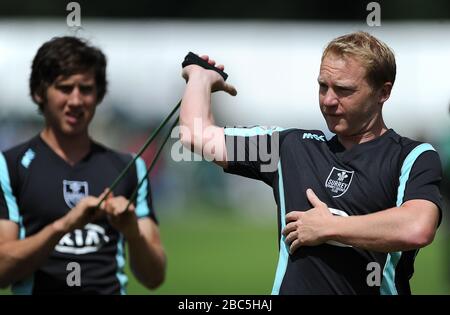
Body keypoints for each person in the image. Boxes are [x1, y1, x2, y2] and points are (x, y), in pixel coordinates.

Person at [179, 31, 442, 294]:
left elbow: (417, 227)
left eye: (343, 90)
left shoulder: (411, 156)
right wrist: (199, 78)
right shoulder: (291, 148)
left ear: (382, 92)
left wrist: (330, 227)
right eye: (322, 86)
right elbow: (196, 134)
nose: (328, 100)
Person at [0, 36, 166, 294]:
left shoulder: (130, 167)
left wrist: (133, 234)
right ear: (39, 93)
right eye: (65, 88)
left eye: (86, 89)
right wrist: (63, 226)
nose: (76, 100)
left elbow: (154, 278)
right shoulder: (9, 166)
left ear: (99, 95)